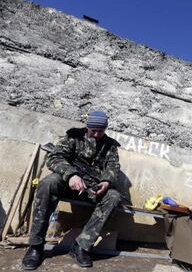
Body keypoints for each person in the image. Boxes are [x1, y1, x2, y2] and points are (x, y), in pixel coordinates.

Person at [22, 110, 121, 270]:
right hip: (68, 183)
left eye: (100, 131)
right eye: (93, 130)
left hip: (92, 189)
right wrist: (71, 175)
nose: (96, 134)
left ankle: (81, 246)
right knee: (48, 183)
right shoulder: (74, 136)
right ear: (87, 126)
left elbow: (113, 166)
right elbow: (54, 158)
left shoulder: (110, 146)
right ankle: (36, 246)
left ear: (105, 129)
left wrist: (106, 181)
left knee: (114, 196)